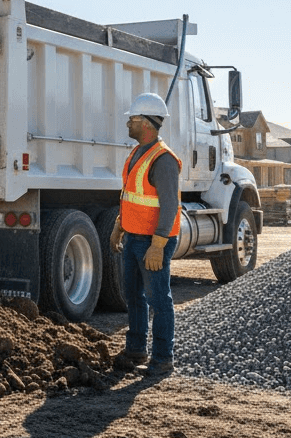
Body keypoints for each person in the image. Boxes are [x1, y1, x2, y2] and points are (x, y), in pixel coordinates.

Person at [110, 92, 182, 375]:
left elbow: (170, 206)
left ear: (148, 124)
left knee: (159, 300)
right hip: (134, 237)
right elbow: (131, 195)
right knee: (134, 297)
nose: (128, 122)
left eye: (134, 118)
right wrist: (119, 226)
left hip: (153, 241)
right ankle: (136, 349)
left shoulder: (163, 160)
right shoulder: (137, 153)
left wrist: (158, 245)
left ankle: (163, 358)